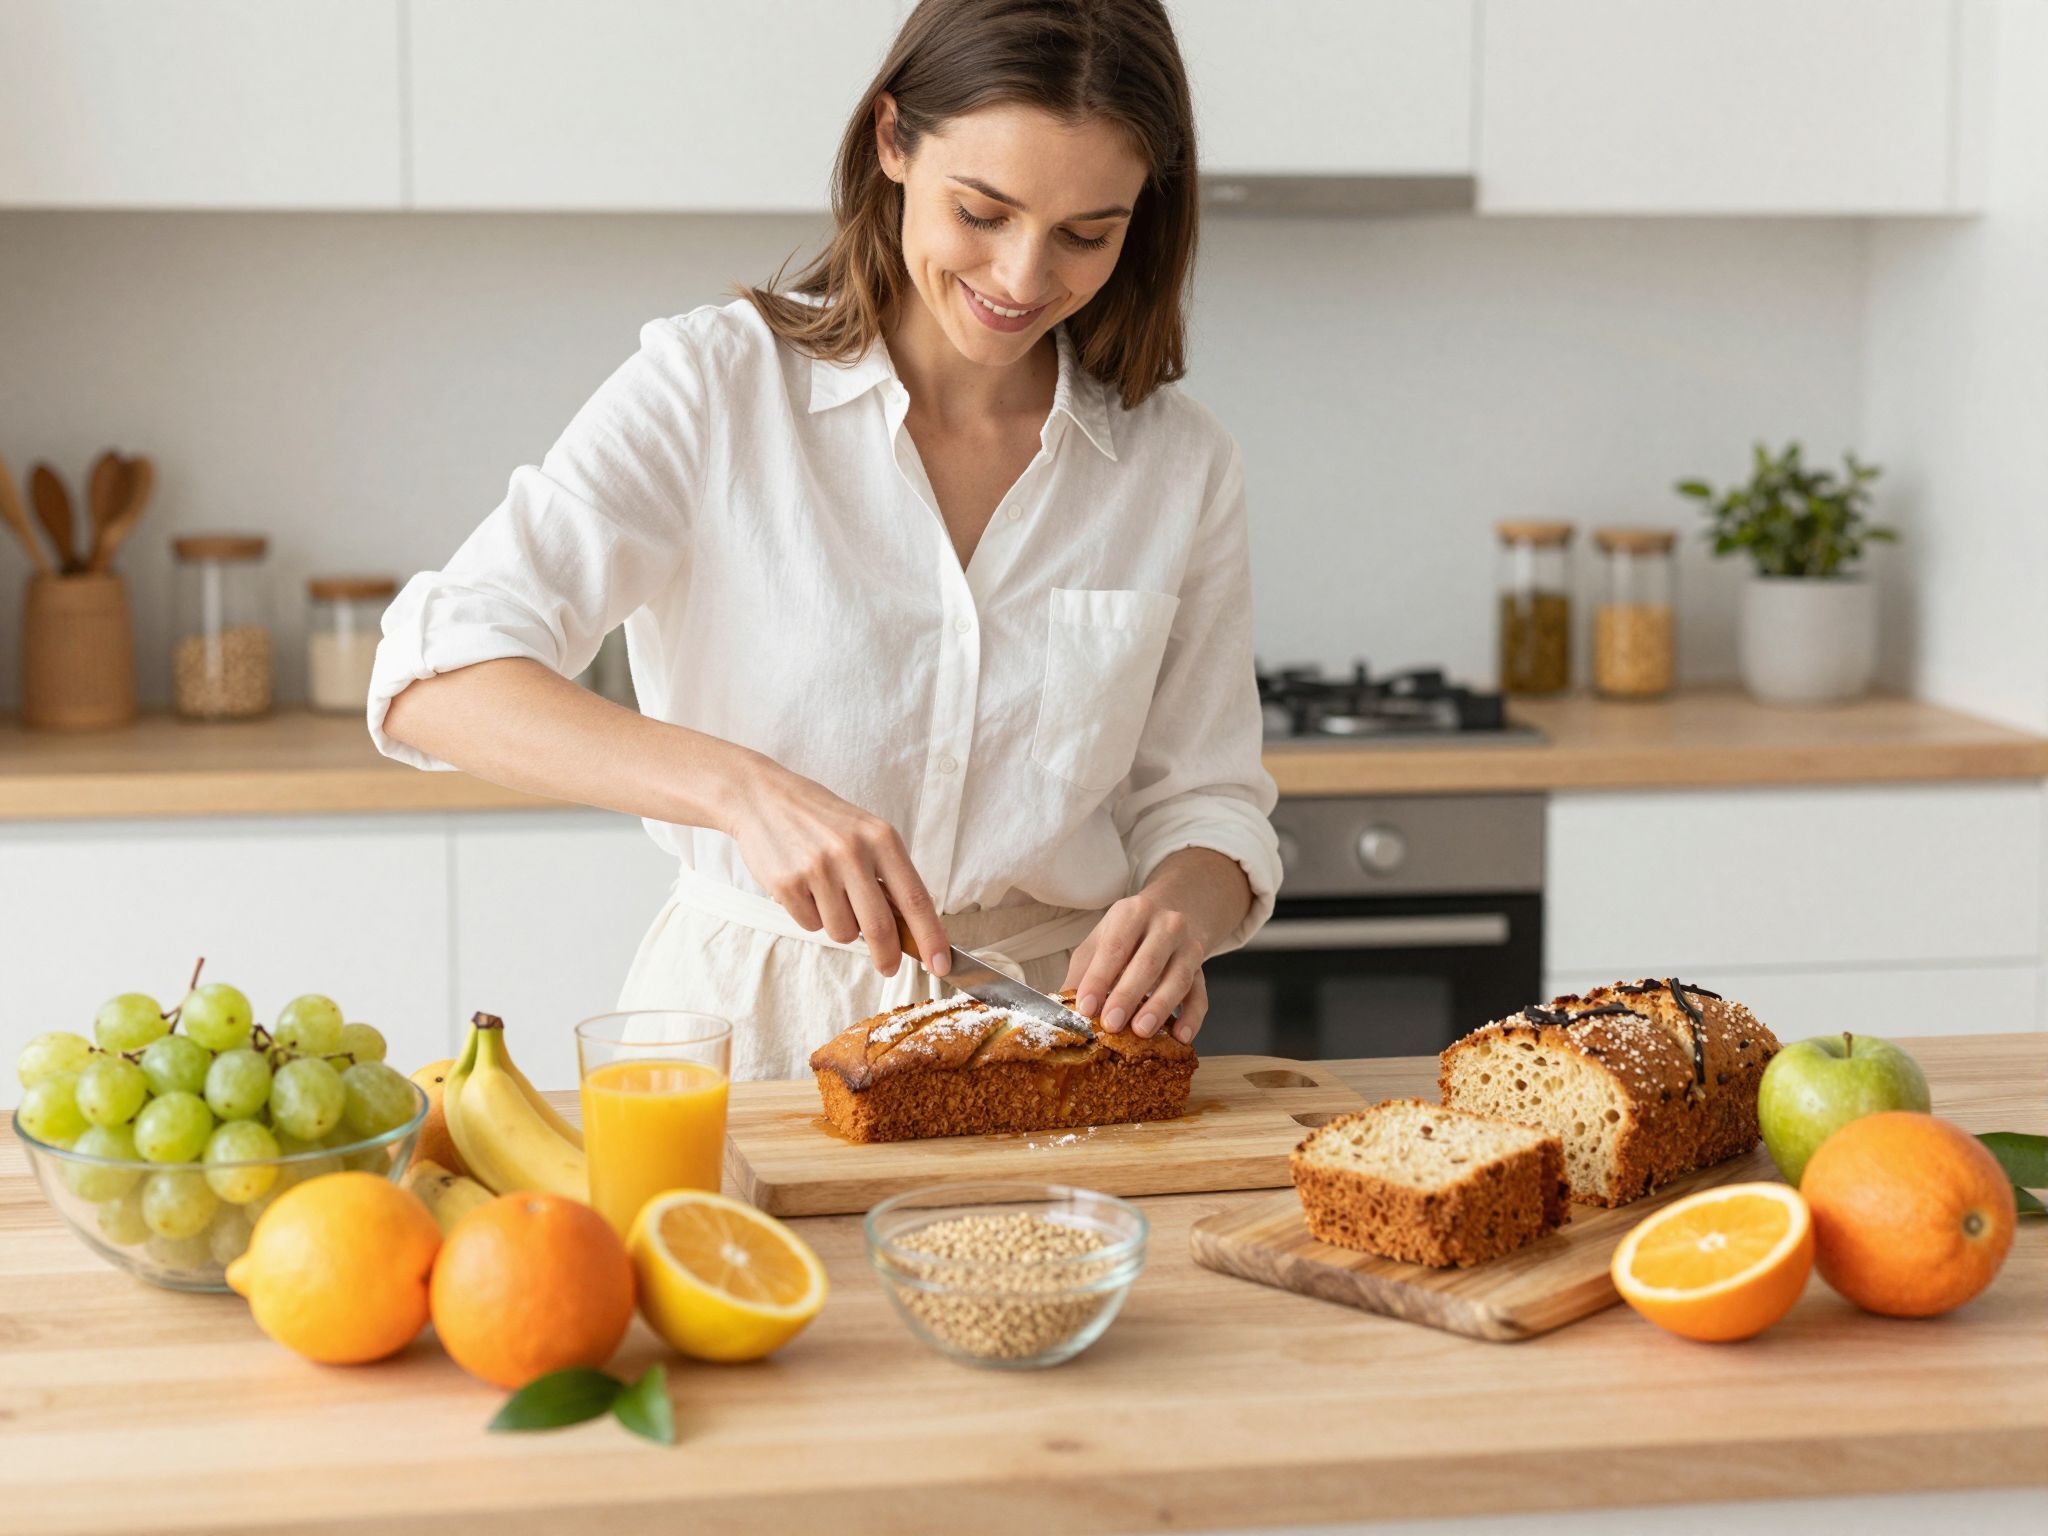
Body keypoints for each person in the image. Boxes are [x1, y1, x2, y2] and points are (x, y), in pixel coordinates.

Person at [371, 0, 1279, 1081]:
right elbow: (433, 673)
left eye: (1087, 234)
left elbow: (1209, 799)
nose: (1024, 279)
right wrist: (743, 792)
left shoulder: (1177, 463)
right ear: (892, 141)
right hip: (747, 1043)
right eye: (981, 212)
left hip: (1043, 1046)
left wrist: (1181, 908)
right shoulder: (714, 388)